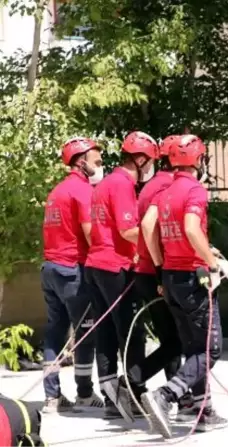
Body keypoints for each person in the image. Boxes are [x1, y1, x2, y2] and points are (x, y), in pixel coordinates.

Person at [139, 134, 228, 438]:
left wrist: (160, 267)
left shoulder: (166, 190)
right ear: (198, 160)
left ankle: (203, 410)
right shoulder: (194, 190)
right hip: (192, 277)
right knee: (211, 349)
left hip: (171, 276)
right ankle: (166, 395)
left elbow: (148, 227)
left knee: (193, 348)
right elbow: (190, 228)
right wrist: (212, 263)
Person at [84, 130, 158, 421]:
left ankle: (112, 397)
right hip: (114, 267)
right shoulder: (122, 185)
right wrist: (159, 236)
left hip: (96, 265)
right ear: (139, 159)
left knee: (106, 333)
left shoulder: (104, 184)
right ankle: (135, 393)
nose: (151, 167)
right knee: (131, 332)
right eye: (150, 161)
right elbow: (128, 230)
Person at [40, 137, 105, 413]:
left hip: (50, 269)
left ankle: (52, 397)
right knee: (85, 331)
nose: (101, 166)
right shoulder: (82, 191)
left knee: (55, 332)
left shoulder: (56, 191)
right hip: (72, 270)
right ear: (82, 163)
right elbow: (91, 233)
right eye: (97, 162)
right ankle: (85, 393)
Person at [125, 134, 189, 414]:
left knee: (172, 340)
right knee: (180, 341)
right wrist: (162, 267)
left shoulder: (153, 185)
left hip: (148, 271)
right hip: (157, 272)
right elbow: (151, 226)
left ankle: (180, 396)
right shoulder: (167, 185)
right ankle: (130, 382)